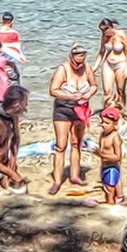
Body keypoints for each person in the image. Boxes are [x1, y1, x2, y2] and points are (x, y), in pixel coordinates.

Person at [48, 44, 97, 195]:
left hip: (81, 110)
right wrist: (70, 96)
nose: (79, 64)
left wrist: (89, 94)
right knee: (61, 146)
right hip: (63, 109)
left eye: (81, 61)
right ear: (71, 58)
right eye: (76, 61)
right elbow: (53, 90)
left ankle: (75, 176)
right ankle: (57, 180)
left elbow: (94, 85)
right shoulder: (62, 70)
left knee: (76, 143)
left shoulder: (87, 68)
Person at [89, 106, 127, 207]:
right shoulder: (103, 134)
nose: (103, 125)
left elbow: (117, 157)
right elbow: (102, 150)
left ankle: (110, 205)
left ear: (115, 124)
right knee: (106, 188)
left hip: (112, 167)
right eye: (102, 122)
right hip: (105, 166)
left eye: (107, 123)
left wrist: (101, 154)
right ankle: (109, 202)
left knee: (110, 189)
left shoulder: (115, 137)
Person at [93, 18, 127, 109]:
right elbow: (101, 53)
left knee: (120, 90)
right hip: (108, 64)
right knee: (107, 91)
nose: (104, 33)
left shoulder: (121, 34)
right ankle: (106, 112)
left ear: (111, 27)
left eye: (106, 30)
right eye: (102, 31)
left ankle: (121, 111)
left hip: (121, 64)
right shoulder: (104, 36)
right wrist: (94, 67)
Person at [0, 12, 25, 84]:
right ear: (12, 21)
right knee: (14, 87)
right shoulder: (14, 34)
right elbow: (15, 52)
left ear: (2, 20)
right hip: (9, 66)